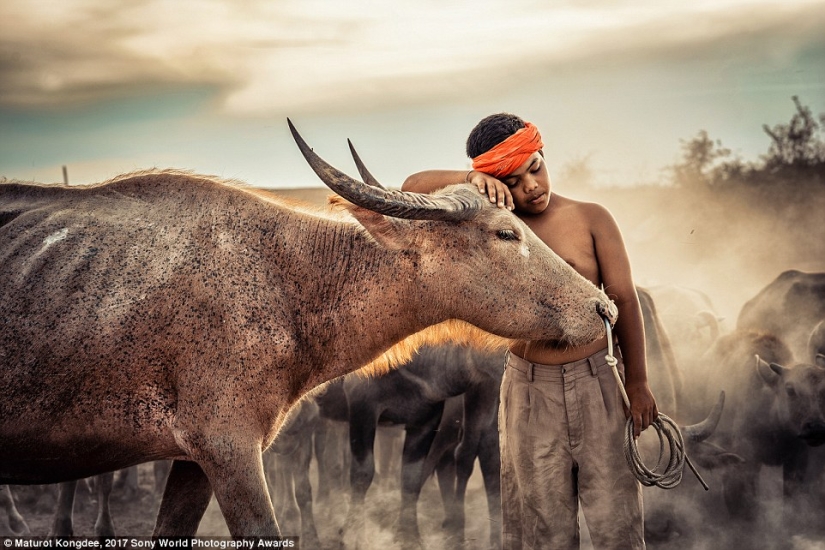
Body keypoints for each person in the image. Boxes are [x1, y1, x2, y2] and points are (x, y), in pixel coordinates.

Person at [401, 113, 657, 549]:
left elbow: (626, 301)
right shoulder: (488, 227)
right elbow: (408, 188)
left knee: (617, 523)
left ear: (544, 155)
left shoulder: (591, 218)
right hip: (527, 389)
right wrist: (471, 178)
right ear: (494, 182)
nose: (531, 187)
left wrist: (638, 381)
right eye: (514, 180)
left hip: (596, 381)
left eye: (535, 167)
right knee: (542, 529)